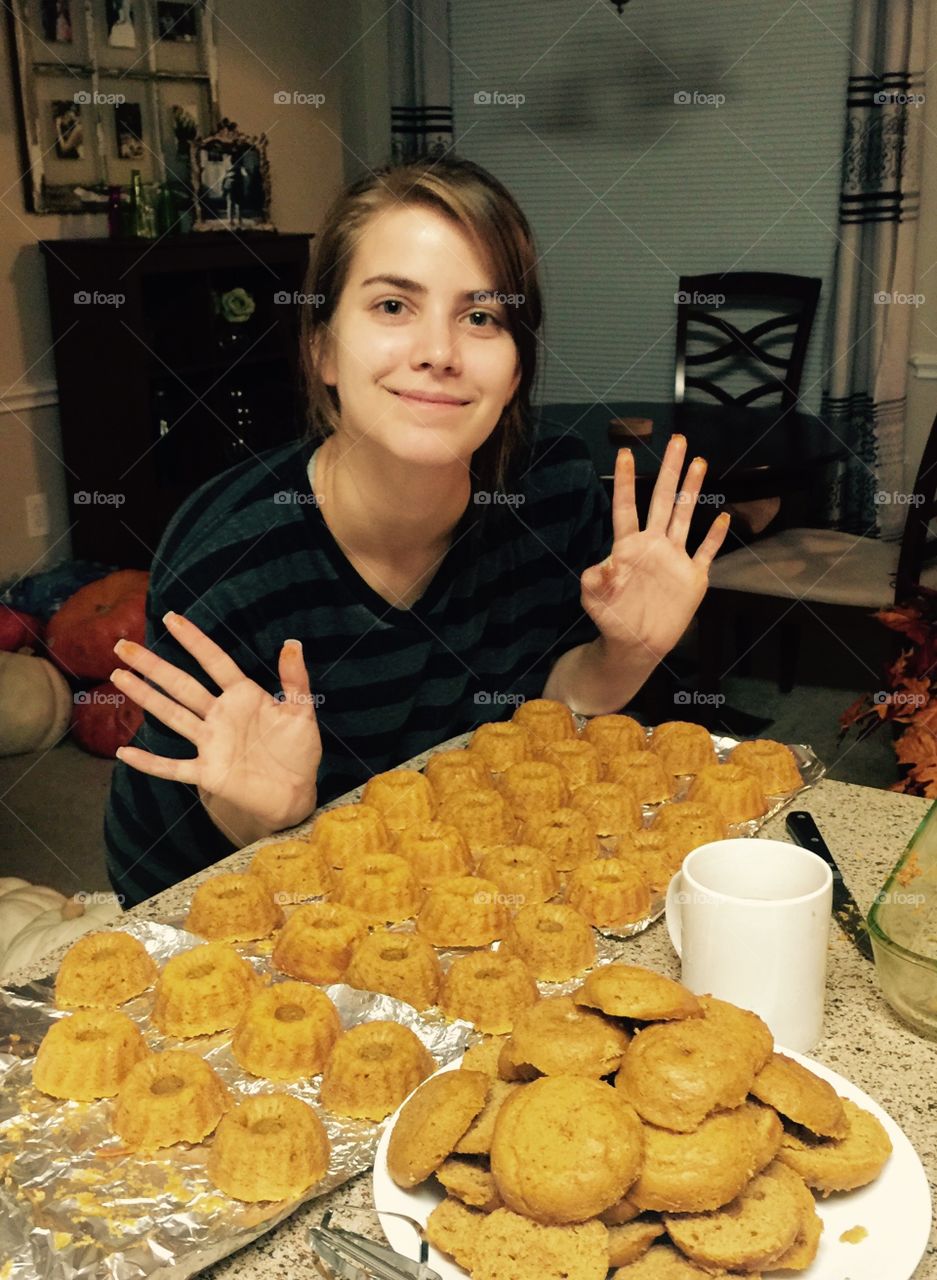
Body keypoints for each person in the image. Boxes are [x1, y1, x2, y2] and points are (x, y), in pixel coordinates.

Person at [104, 155, 729, 907]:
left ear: (517, 369)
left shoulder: (551, 491)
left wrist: (623, 655)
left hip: (462, 883)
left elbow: (548, 714)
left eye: (480, 316)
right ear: (322, 349)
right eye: (393, 307)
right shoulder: (231, 558)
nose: (439, 352)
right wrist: (258, 815)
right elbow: (168, 891)